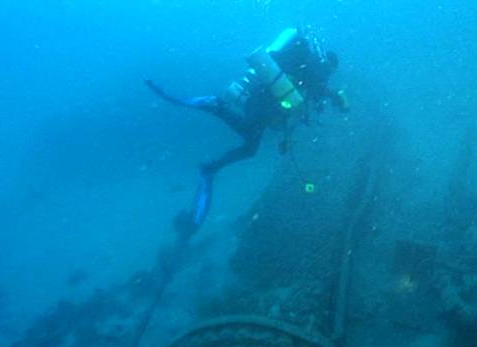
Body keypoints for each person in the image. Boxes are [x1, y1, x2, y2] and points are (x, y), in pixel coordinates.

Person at [145, 26, 349, 237]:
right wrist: (335, 98)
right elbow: (316, 89)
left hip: (264, 103)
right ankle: (215, 107)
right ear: (330, 63)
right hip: (262, 101)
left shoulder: (308, 65)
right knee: (249, 134)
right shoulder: (316, 66)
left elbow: (304, 99)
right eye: (331, 70)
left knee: (251, 147)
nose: (329, 74)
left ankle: (211, 166)